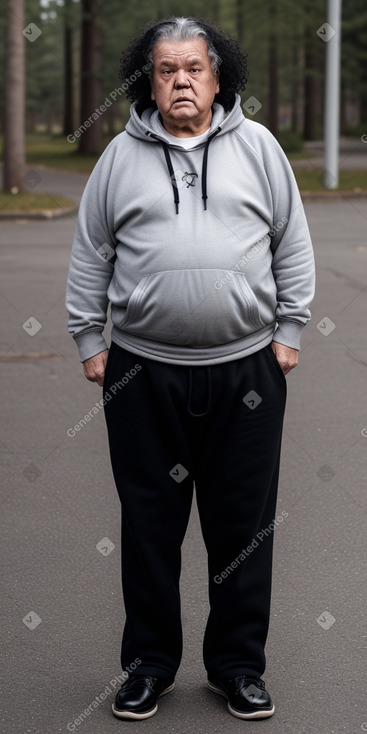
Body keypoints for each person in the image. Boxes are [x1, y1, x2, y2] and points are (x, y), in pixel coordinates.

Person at [66, 15, 315, 721]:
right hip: (142, 374)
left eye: (193, 68)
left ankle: (237, 667)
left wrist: (289, 329)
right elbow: (91, 251)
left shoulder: (259, 148)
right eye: (166, 69)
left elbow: (291, 242)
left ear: (217, 76)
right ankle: (149, 665)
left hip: (247, 375)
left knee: (242, 528)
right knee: (150, 526)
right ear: (149, 82)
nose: (180, 80)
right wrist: (90, 340)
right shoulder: (119, 156)